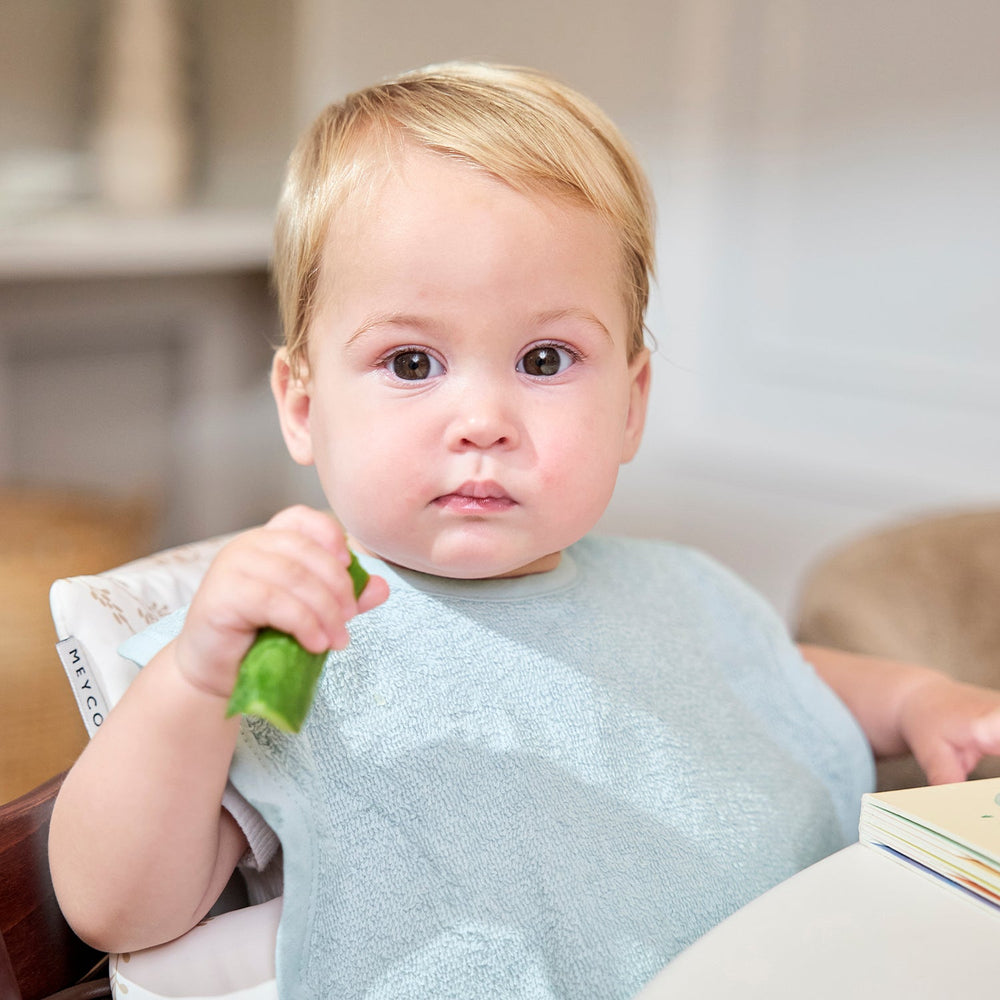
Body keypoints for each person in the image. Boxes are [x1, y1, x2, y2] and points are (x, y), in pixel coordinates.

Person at [49, 62, 1000, 998]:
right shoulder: (292, 642)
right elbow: (116, 912)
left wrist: (915, 699)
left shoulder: (672, 588)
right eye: (411, 361)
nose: (482, 419)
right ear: (302, 404)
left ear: (630, 405)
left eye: (545, 358)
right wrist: (193, 682)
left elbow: (776, 673)